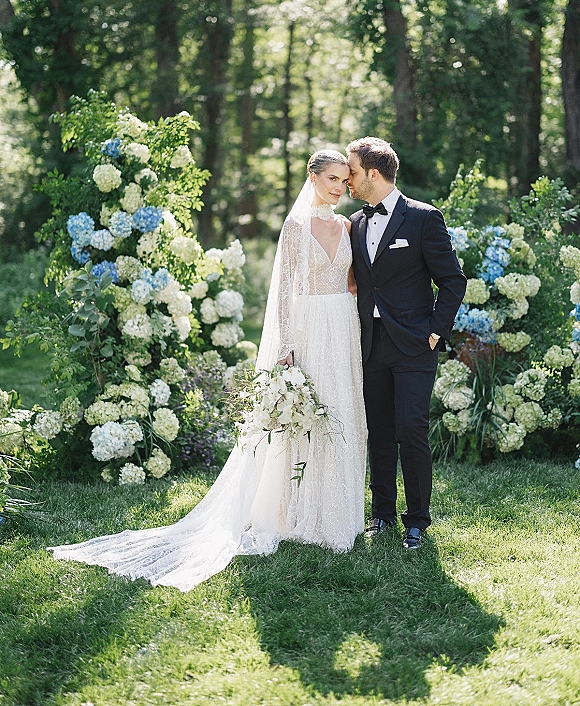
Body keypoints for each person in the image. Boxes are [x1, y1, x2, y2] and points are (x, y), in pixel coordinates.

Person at [49, 149, 367, 591]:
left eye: (343, 179)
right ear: (312, 178)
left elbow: (352, 281)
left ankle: (338, 518)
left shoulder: (348, 225)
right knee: (304, 420)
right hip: (310, 330)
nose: (338, 187)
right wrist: (287, 348)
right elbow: (284, 296)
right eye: (331, 178)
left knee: (343, 414)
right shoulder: (296, 228)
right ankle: (297, 515)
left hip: (342, 327)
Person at [346, 137, 466, 550]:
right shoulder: (356, 223)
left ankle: (416, 520)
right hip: (371, 343)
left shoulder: (423, 218)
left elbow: (452, 280)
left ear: (373, 174)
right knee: (378, 431)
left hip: (415, 343)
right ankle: (381, 515)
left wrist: (437, 329)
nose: (347, 177)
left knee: (410, 429)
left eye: (352, 170)